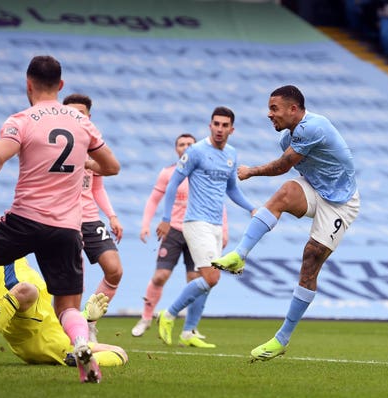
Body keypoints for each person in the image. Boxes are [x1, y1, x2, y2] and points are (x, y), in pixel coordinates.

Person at [0, 55, 120, 383]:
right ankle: (81, 345)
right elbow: (112, 167)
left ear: (28, 84)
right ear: (61, 86)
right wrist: (86, 166)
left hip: (24, 219)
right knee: (67, 307)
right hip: (66, 228)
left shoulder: (21, 119)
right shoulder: (83, 123)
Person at [212, 85, 359, 362]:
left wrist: (251, 171)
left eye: (274, 109)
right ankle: (238, 255)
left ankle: (281, 339)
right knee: (284, 193)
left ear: (294, 109)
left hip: (341, 202)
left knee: (310, 259)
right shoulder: (288, 139)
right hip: (316, 189)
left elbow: (282, 166)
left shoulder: (313, 127)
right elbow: (289, 167)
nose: (269, 115)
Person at [156, 107, 257, 348]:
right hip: (195, 222)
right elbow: (173, 183)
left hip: (214, 224)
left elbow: (231, 189)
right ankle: (168, 315)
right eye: (216, 124)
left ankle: (189, 331)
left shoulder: (231, 154)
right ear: (210, 126)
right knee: (212, 278)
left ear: (232, 129)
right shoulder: (196, 151)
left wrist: (252, 208)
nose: (220, 129)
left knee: (206, 279)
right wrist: (166, 218)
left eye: (225, 125)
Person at [0, 257, 127, 369]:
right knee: (120, 353)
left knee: (28, 290)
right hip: (38, 330)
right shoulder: (6, 254)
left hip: (36, 330)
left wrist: (86, 318)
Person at [131, 133, 229, 339]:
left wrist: (224, 229)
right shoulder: (168, 173)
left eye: (190, 144)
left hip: (199, 230)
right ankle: (146, 317)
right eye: (181, 144)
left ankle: (189, 329)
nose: (185, 147)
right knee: (160, 276)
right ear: (176, 149)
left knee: (195, 280)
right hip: (174, 230)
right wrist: (145, 225)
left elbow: (218, 202)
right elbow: (153, 199)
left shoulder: (205, 171)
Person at [62, 93, 124, 343]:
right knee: (74, 281)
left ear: (89, 117)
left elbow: (97, 187)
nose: (77, 117)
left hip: (90, 219)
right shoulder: (55, 143)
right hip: (64, 219)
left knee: (115, 270)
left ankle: (89, 322)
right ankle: (74, 335)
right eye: (72, 113)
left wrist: (112, 215)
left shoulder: (95, 144)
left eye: (82, 113)